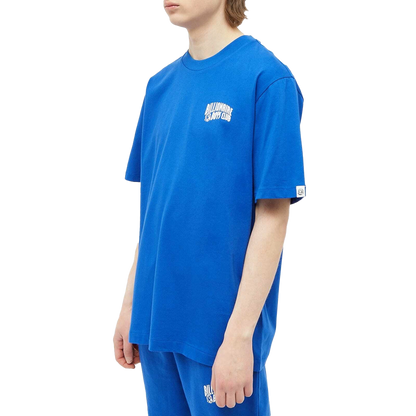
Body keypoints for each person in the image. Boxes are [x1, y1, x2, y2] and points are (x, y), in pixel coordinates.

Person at [111, 0, 308, 414]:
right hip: (154, 326)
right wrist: (129, 305)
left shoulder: (267, 78)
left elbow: (274, 216)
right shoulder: (158, 86)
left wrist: (239, 337)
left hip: (218, 334)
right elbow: (149, 213)